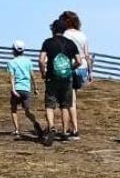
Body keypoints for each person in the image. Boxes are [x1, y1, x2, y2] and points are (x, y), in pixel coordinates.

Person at [39, 19, 81, 146]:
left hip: (51, 76)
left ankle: (51, 126)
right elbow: (79, 61)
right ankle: (64, 132)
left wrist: (43, 73)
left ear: (53, 29)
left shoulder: (48, 42)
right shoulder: (71, 44)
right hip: (66, 78)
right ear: (64, 30)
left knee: (50, 104)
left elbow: (41, 60)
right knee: (65, 105)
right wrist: (70, 69)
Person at [60, 10, 92, 141]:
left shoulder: (65, 34)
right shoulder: (83, 35)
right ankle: (71, 128)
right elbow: (87, 55)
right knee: (72, 98)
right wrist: (90, 72)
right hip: (83, 67)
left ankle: (74, 130)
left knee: (69, 101)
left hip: (71, 66)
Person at [7, 41, 44, 140]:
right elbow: (32, 75)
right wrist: (36, 88)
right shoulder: (28, 61)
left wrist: (13, 89)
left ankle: (17, 130)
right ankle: (35, 124)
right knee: (27, 111)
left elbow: (12, 77)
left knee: (14, 109)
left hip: (17, 88)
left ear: (13, 51)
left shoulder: (11, 62)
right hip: (26, 89)